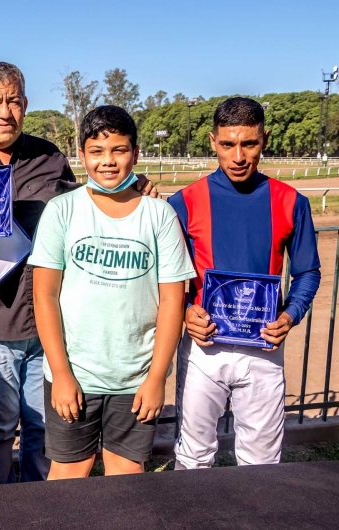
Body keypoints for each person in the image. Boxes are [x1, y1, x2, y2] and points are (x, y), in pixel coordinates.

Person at [0, 62, 156, 485]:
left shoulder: (51, 159)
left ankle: (39, 509)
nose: (4, 112)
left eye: (13, 101)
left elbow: (89, 208)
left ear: (25, 105)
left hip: (50, 325)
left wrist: (134, 191)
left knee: (43, 431)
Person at [29, 105, 195, 478]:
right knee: (69, 476)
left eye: (119, 150)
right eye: (97, 151)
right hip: (75, 375)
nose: (108, 161)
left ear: (135, 154)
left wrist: (156, 379)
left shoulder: (159, 216)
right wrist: (62, 373)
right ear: (82, 154)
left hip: (135, 379)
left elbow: (172, 300)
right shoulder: (62, 211)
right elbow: (44, 296)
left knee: (126, 478)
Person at [169, 97, 321, 469]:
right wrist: (187, 311)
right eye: (227, 144)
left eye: (248, 143)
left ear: (264, 139)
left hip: (264, 348)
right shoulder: (184, 201)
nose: (238, 156)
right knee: (193, 456)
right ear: (212, 141)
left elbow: (307, 271)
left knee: (262, 462)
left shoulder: (291, 201)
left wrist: (291, 314)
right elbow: (169, 279)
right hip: (204, 346)